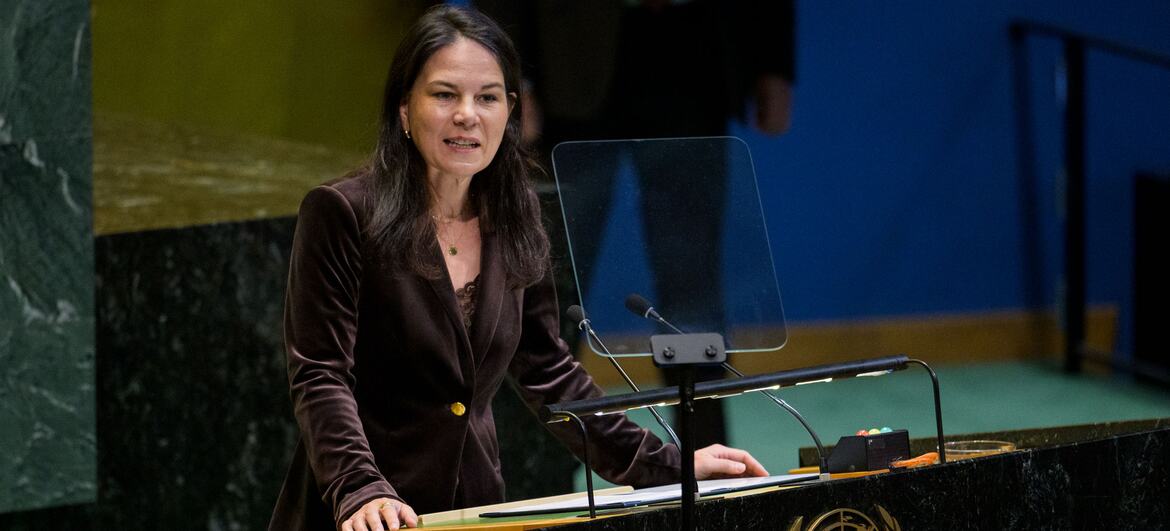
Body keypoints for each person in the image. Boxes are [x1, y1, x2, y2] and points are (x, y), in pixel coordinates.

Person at [268, 6, 768, 531]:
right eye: (444, 95)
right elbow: (321, 373)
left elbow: (549, 371)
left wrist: (665, 465)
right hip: (366, 514)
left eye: (487, 97)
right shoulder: (342, 212)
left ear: (509, 111)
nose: (467, 114)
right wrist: (360, 489)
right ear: (403, 110)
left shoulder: (515, 214)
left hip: (475, 509)